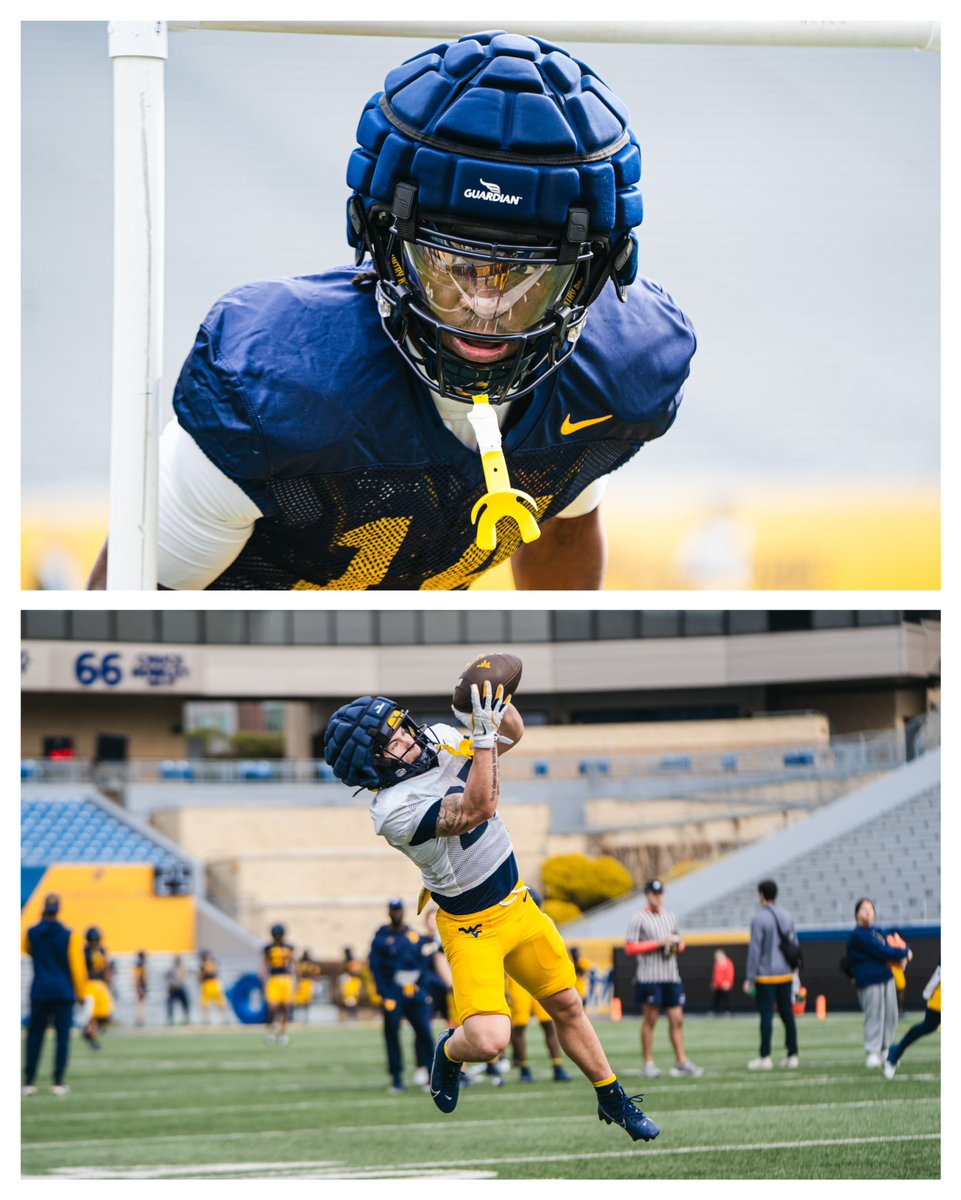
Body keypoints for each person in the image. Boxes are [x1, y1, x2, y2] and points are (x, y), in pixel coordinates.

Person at [88, 30, 695, 592]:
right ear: (380, 239)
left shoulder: (617, 370)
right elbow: (117, 620)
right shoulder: (275, 391)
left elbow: (563, 525)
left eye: (528, 275)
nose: (485, 307)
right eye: (450, 265)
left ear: (595, 273)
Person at [324, 681, 660, 1142]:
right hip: (471, 925)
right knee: (489, 1040)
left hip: (518, 902)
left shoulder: (438, 739)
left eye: (401, 726)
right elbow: (478, 807)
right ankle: (450, 1051)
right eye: (393, 740)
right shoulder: (393, 811)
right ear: (372, 765)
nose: (407, 736)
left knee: (567, 1004)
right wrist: (481, 735)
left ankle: (612, 1096)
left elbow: (512, 735)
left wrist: (495, 702)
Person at [625, 880, 703, 1078]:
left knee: (677, 1019)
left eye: (660, 894)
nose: (658, 897)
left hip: (671, 975)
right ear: (647, 895)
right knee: (650, 1020)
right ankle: (648, 1063)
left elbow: (681, 943)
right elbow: (630, 947)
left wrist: (674, 944)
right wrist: (658, 943)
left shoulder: (670, 916)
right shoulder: (639, 918)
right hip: (650, 977)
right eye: (654, 893)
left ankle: (681, 1061)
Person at [21, 894, 88, 1096]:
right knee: (62, 1038)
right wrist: (81, 992)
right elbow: (77, 966)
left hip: (40, 990)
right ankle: (58, 1082)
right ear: (59, 909)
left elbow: (27, 950)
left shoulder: (31, 932)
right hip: (63, 992)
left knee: (34, 1037)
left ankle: (29, 1082)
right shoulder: (69, 934)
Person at [369, 899, 437, 1093]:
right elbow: (376, 969)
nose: (397, 914)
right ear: (389, 912)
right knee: (392, 1034)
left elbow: (424, 965)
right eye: (394, 910)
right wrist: (385, 994)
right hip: (394, 992)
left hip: (415, 992)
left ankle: (432, 1074)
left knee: (424, 1032)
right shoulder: (381, 938)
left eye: (399, 910)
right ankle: (397, 1077)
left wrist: (424, 991)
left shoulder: (413, 936)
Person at [846, 898, 912, 1068]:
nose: (868, 912)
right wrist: (904, 953)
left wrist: (905, 949)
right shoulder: (858, 935)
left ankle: (886, 1049)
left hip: (886, 977)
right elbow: (880, 950)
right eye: (864, 909)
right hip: (869, 979)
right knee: (874, 1015)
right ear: (857, 914)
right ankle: (873, 1051)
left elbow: (894, 936)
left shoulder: (877, 931)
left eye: (871, 908)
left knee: (891, 1014)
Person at [744, 880, 800, 1070]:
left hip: (765, 975)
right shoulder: (787, 916)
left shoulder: (759, 919)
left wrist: (750, 977)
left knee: (766, 1016)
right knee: (788, 1015)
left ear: (761, 894)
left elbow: (755, 950)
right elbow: (795, 944)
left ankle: (765, 1056)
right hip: (785, 973)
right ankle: (793, 1054)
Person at [885, 962, 940, 1079]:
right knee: (928, 1026)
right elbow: (940, 970)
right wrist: (928, 991)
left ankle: (896, 1051)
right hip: (940, 999)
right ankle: (896, 1051)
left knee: (928, 1026)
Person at [262, 923, 296, 1044]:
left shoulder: (289, 947)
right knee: (273, 1007)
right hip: (274, 978)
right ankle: (271, 1031)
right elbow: (265, 963)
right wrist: (263, 976)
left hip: (286, 978)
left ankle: (283, 1033)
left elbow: (293, 962)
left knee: (285, 1007)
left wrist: (296, 977)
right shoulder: (268, 948)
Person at [82, 927, 114, 1049]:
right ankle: (92, 1037)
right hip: (89, 984)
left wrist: (108, 981)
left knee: (105, 1013)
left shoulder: (103, 950)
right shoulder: (84, 951)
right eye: (93, 939)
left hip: (101, 985)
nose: (95, 942)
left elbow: (107, 967)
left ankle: (90, 1033)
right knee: (91, 1014)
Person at [198, 950, 228, 1024]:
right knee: (205, 1003)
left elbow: (211, 971)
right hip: (207, 984)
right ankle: (207, 1019)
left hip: (213, 983)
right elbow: (200, 977)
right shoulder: (203, 965)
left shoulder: (211, 962)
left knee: (220, 1002)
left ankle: (224, 1018)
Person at [294, 949, 323, 1021]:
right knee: (299, 1001)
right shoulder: (301, 963)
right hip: (302, 982)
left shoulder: (311, 963)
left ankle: (305, 1017)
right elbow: (297, 972)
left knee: (307, 1000)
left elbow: (316, 972)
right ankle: (298, 1017)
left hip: (308, 982)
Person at [165, 955, 191, 1025]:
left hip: (181, 988)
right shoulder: (171, 969)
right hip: (173, 989)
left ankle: (186, 1017)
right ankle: (170, 1019)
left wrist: (179, 984)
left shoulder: (183, 968)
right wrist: (172, 984)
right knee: (170, 1003)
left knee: (185, 1003)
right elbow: (168, 978)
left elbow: (185, 977)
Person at [711, 949, 735, 1016]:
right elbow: (715, 974)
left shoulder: (728, 963)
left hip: (725, 985)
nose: (717, 957)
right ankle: (715, 1011)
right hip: (718, 985)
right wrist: (714, 982)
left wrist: (728, 982)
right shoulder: (717, 964)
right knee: (716, 998)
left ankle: (727, 1011)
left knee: (726, 998)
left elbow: (730, 974)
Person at [133, 950, 149, 1026]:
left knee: (142, 1003)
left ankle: (141, 1018)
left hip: (143, 985)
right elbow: (137, 977)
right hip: (141, 985)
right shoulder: (139, 965)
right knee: (141, 1003)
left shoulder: (142, 964)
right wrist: (139, 987)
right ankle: (140, 1019)